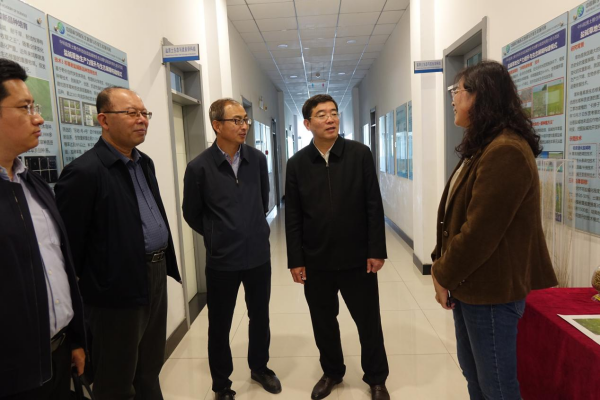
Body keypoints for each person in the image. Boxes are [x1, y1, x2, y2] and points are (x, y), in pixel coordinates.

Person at [430, 60, 558, 400]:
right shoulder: (484, 146)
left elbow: (479, 233)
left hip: (491, 291)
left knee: (497, 387)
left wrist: (441, 273)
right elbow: (455, 217)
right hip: (472, 285)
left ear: (481, 96)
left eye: (458, 91)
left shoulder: (505, 150)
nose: (453, 99)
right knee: (476, 378)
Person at [55, 87, 181, 400]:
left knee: (149, 367)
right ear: (104, 120)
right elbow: (69, 251)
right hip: (115, 290)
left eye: (144, 113)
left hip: (155, 274)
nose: (142, 120)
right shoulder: (84, 172)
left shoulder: (143, 163)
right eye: (132, 113)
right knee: (116, 378)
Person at [285, 94, 390, 400]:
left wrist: (376, 249)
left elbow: (373, 204)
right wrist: (295, 259)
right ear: (307, 124)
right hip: (316, 260)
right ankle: (332, 372)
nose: (330, 119)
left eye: (333, 113)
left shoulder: (359, 154)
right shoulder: (297, 164)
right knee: (323, 322)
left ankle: (376, 378)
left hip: (357, 259)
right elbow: (293, 216)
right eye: (321, 115)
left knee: (368, 322)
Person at [183, 98, 280, 400]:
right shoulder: (199, 167)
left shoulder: (257, 160)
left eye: (245, 120)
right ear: (217, 125)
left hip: (257, 256)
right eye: (236, 120)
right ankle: (221, 384)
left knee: (260, 316)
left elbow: (262, 201)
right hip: (222, 260)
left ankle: (259, 367)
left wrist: (252, 230)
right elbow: (191, 212)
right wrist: (218, 235)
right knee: (220, 324)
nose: (244, 126)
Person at [0, 58, 86, 399]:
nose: (38, 118)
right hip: (13, 375)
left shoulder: (34, 185)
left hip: (59, 354)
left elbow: (59, 266)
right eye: (25, 108)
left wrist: (75, 339)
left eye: (35, 107)